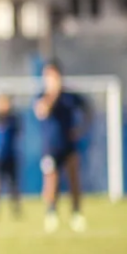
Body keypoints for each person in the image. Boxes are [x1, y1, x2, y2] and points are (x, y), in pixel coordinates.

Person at [34, 60, 92, 233]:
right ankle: (51, 213)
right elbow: (41, 111)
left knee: (74, 179)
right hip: (51, 146)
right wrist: (53, 93)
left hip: (69, 144)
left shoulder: (70, 96)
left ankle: (76, 213)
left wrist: (81, 128)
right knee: (52, 180)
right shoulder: (42, 96)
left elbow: (87, 110)